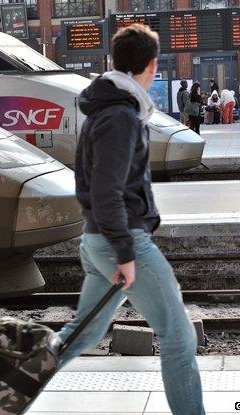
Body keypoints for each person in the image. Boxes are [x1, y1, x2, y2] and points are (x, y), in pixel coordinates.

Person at [57, 23, 205, 415]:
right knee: (178, 336)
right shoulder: (120, 116)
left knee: (79, 336)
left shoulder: (106, 111)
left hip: (99, 241)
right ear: (152, 65)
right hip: (122, 244)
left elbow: (92, 186)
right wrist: (124, 251)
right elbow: (107, 192)